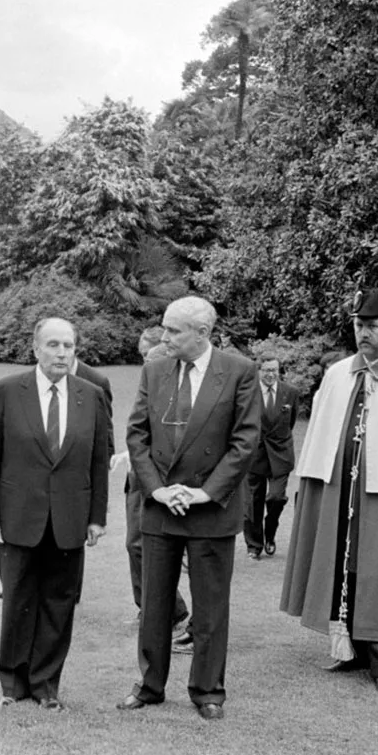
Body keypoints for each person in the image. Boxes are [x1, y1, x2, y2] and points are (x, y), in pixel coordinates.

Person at [280, 289, 378, 698]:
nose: (362, 333)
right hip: (339, 489)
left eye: (371, 326)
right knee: (341, 566)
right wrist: (310, 485)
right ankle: (348, 648)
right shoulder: (337, 374)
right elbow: (319, 432)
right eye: (357, 324)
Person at [116, 296, 260, 720]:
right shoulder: (155, 369)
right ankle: (149, 685)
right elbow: (137, 436)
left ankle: (208, 691)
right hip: (161, 509)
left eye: (174, 330)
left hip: (210, 511)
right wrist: (158, 490)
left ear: (203, 332)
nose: (165, 337)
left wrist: (205, 492)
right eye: (164, 327)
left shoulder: (239, 372)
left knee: (211, 608)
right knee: (154, 605)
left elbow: (244, 442)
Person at [0, 317, 110, 712]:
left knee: (59, 602)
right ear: (35, 348)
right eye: (53, 345)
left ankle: (46, 684)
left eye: (68, 345)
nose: (61, 353)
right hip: (19, 516)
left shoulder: (92, 394)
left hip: (70, 518)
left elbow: (98, 461)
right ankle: (13, 682)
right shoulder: (6, 391)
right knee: (18, 599)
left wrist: (96, 517)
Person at [121, 327, 190, 631]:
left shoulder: (178, 391)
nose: (145, 367)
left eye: (150, 360)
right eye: (144, 360)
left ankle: (169, 612)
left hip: (160, 482)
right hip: (137, 479)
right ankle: (151, 609)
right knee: (134, 545)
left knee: (148, 547)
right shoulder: (150, 385)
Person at [243, 354, 299, 560]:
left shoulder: (290, 393)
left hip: (280, 454)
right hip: (254, 454)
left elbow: (290, 422)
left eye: (274, 370)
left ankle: (270, 533)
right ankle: (254, 545)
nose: (270, 374)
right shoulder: (248, 392)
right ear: (259, 371)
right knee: (252, 503)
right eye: (266, 370)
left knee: (276, 498)